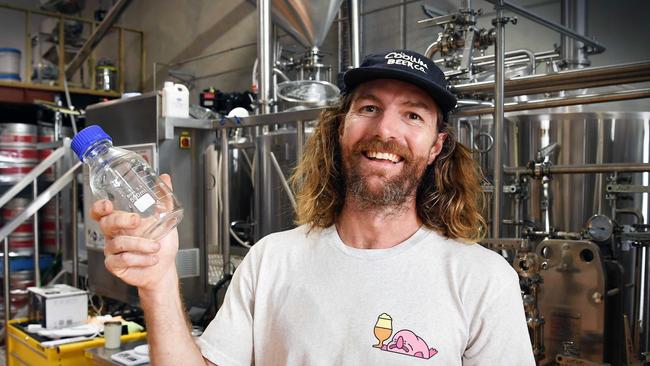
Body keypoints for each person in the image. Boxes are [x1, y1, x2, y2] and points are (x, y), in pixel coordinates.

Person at [92, 49, 535, 365]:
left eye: (413, 115)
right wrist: (157, 282)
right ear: (341, 128)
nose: (385, 129)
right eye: (369, 107)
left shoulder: (482, 280)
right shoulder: (272, 259)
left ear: (436, 146)